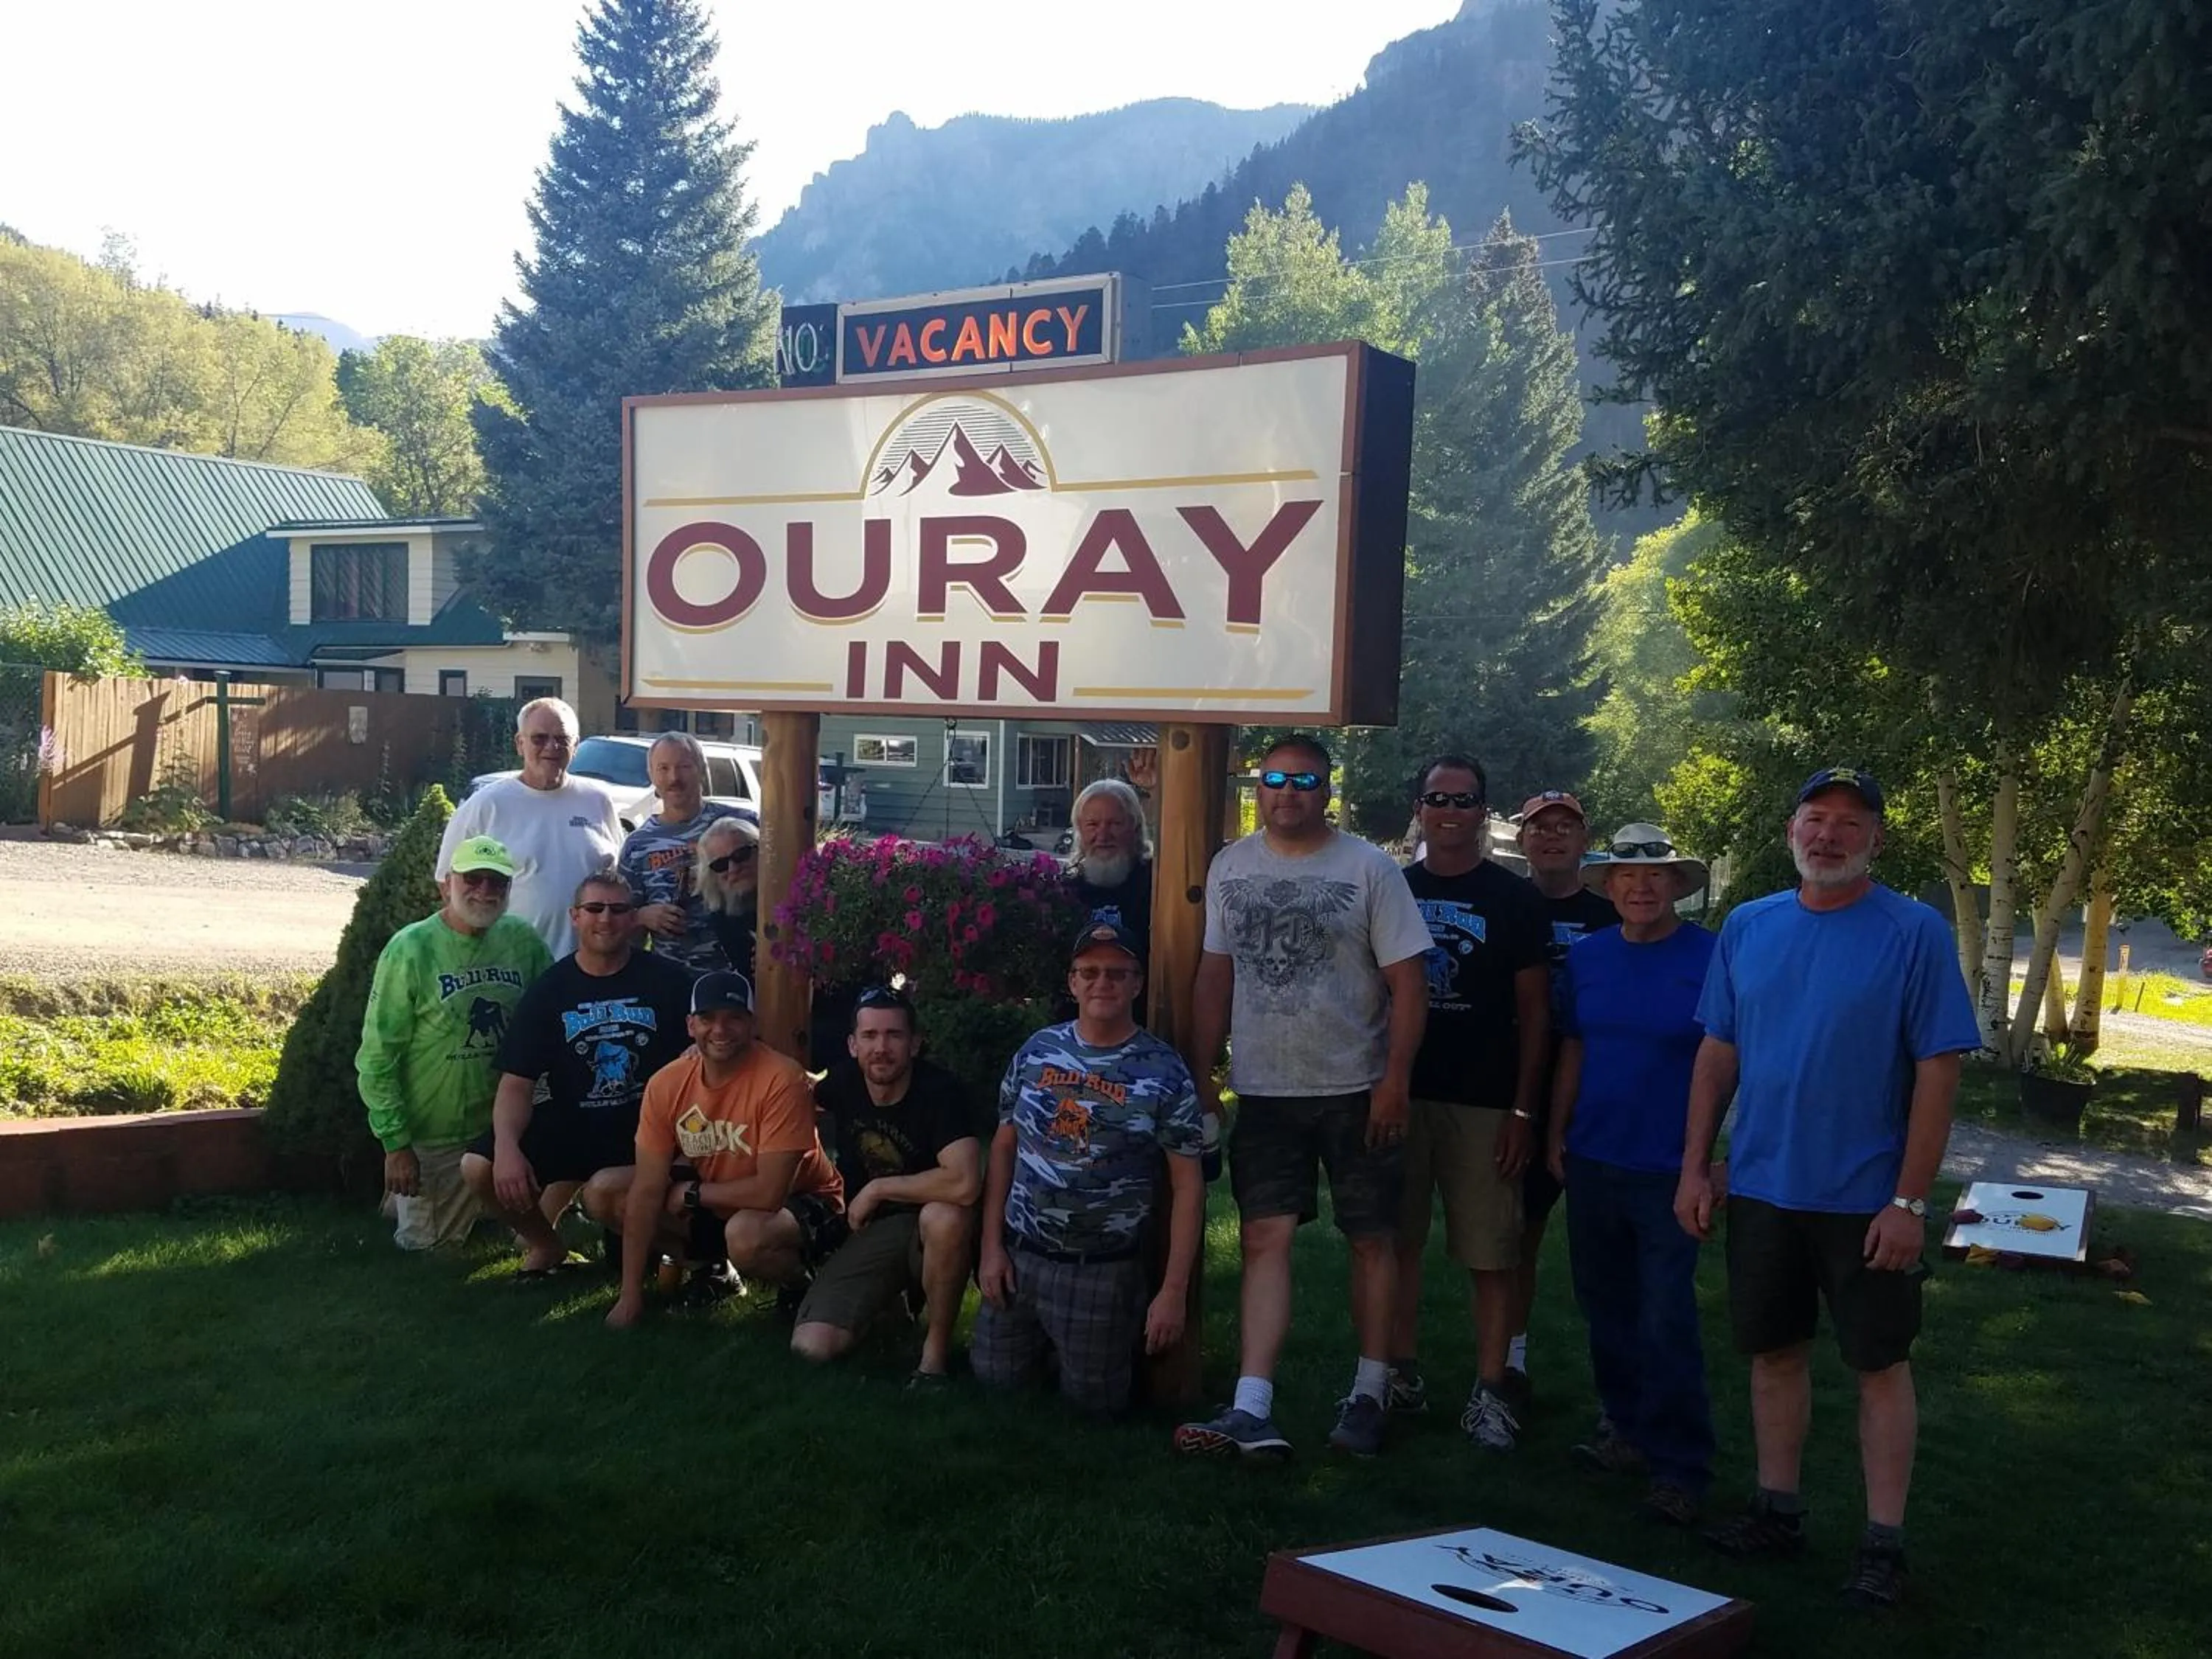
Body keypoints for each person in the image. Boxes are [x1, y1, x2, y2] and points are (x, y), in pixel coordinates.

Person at [1677, 768, 1980, 1608]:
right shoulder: (1748, 924)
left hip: (1867, 1201)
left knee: (1879, 1364)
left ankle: (1883, 1546)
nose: (1830, 837)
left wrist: (1910, 1201)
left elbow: (1939, 1069)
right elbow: (1718, 1055)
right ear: (1790, 833)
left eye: (1851, 825)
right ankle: (1778, 1513)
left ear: (1876, 841)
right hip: (1766, 1189)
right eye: (1816, 820)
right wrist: (1696, 1165)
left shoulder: (1914, 931)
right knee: (1774, 1354)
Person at [1175, 736, 1431, 1461]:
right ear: (1259, 787)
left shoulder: (1369, 869)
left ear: (1327, 789)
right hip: (1264, 1088)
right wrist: (1205, 1074)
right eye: (1276, 778)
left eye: (1305, 780)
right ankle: (1253, 1405)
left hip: (1357, 1085)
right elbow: (1214, 978)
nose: (1289, 791)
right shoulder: (1231, 865)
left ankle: (1371, 1392)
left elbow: (1409, 986)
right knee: (1263, 1237)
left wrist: (1395, 1081)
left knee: (1372, 1239)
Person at [1546, 825, 1718, 1525]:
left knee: (1666, 1314)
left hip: (1672, 1169)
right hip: (1593, 1158)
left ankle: (1682, 1466)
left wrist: (1710, 1163)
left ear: (1679, 886)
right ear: (1607, 886)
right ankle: (1623, 1429)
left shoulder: (1713, 958)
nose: (1641, 887)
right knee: (1606, 1305)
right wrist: (1555, 1132)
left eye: (1657, 876)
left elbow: (1735, 1059)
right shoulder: (1586, 958)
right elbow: (1574, 1050)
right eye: (1625, 876)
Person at [1382, 757, 1551, 1453]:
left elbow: (1538, 1016)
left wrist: (1523, 1111)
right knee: (1397, 1245)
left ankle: (1490, 1392)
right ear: (1418, 807)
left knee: (1492, 1253)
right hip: (1403, 1091)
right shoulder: (1390, 887)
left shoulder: (1514, 899)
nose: (1450, 810)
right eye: (1437, 798)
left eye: (1465, 799)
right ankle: (1397, 1373)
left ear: (1485, 811)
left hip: (1485, 1099)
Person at [973, 922, 1205, 1414]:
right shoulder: (1035, 1052)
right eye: (1091, 972)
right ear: (1072, 983)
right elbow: (1003, 1149)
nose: (1104, 983)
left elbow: (1189, 1187)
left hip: (1101, 1269)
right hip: (1021, 1259)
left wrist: (1173, 1291)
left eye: (1118, 974)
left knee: (1094, 1411)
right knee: (992, 1389)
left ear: (1137, 984)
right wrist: (990, 1248)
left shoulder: (1164, 1070)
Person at [457, 869, 697, 1275]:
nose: (606, 919)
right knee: (478, 1166)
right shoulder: (550, 990)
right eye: (595, 908)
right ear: (575, 916)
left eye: (619, 909)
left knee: (621, 1230)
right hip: (576, 1124)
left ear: (633, 917)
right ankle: (547, 1246)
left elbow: (722, 1035)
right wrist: (508, 1149)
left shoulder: (670, 981)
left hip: (650, 1130)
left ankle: (701, 1259)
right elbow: (517, 1082)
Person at [604, 970, 846, 1328]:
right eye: (707, 1018)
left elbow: (769, 1193)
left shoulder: (783, 1079)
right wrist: (629, 1296)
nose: (720, 1029)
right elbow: (647, 1186)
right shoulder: (666, 1083)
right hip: (722, 1196)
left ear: (752, 1024)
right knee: (606, 1192)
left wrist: (693, 1195)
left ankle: (803, 1282)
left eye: (734, 1018)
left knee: (746, 1234)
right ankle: (712, 1271)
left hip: (802, 1200)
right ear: (690, 1025)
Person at [357, 836, 552, 1250]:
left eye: (496, 882)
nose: (485, 891)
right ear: (447, 884)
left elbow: (550, 1019)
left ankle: (479, 1204)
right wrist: (396, 1145)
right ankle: (410, 1189)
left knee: (523, 1238)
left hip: (504, 1130)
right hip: (435, 1133)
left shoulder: (522, 940)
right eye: (473, 879)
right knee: (428, 1250)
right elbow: (377, 1055)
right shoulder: (410, 948)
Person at [793, 986, 982, 1382]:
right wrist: (701, 1057)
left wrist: (878, 1189)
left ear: (914, 1044)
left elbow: (965, 1182)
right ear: (852, 1044)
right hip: (875, 1231)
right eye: (870, 1036)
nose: (881, 1047)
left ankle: (934, 1357)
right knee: (812, 1346)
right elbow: (794, 1088)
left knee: (944, 1217)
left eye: (894, 1035)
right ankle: (889, 1307)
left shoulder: (941, 1092)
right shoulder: (844, 1083)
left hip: (936, 1229)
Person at [1506, 787, 1621, 1411]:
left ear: (1584, 839)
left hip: (1600, 1090)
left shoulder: (1612, 912)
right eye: (1539, 828)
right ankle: (1512, 1357)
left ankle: (1620, 1387)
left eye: (1564, 827)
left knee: (1605, 1245)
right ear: (1521, 840)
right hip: (1521, 1085)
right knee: (1519, 1230)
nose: (1551, 837)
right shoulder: (1506, 905)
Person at [438, 698, 624, 959]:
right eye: (539, 738)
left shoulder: (597, 800)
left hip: (590, 970)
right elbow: (448, 885)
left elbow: (617, 879)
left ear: (576, 746)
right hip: (512, 969)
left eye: (562, 738)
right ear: (519, 744)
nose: (552, 746)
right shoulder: (485, 806)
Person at [619, 733, 754, 973]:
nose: (674, 778)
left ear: (702, 769)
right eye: (663, 768)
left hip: (740, 979)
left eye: (684, 767)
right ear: (651, 775)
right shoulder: (637, 845)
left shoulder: (739, 824)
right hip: (671, 982)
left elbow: (780, 888)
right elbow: (620, 919)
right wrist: (642, 916)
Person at [693, 814, 762, 978]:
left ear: (761, 850)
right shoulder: (721, 916)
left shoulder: (799, 895)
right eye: (720, 865)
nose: (733, 868)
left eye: (741, 855)